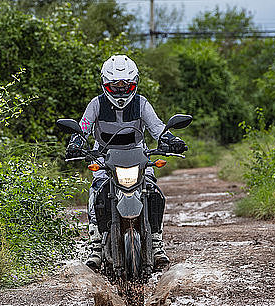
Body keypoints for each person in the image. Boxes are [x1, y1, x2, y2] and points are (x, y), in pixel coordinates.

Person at [65, 54, 187, 272]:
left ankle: (157, 242)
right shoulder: (96, 105)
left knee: (154, 192)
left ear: (134, 83)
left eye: (126, 86)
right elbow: (83, 128)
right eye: (115, 86)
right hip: (104, 158)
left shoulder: (141, 104)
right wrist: (75, 143)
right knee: (96, 192)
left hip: (137, 157)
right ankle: (96, 246)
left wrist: (172, 140)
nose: (121, 91)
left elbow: (157, 128)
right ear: (105, 84)